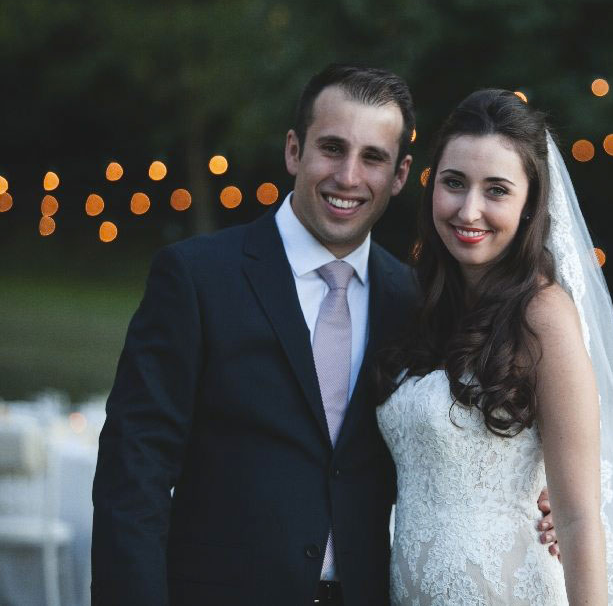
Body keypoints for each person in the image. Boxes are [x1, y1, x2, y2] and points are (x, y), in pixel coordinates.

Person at [91, 65, 558, 606]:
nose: (348, 176)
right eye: (332, 148)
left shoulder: (416, 301)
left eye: (373, 158)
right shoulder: (197, 278)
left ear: (402, 174)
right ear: (295, 150)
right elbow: (134, 477)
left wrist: (533, 495)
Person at [376, 89, 613, 605]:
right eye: (454, 183)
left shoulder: (542, 316)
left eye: (496, 190)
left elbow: (580, 517)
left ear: (528, 206)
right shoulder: (423, 304)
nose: (468, 209)